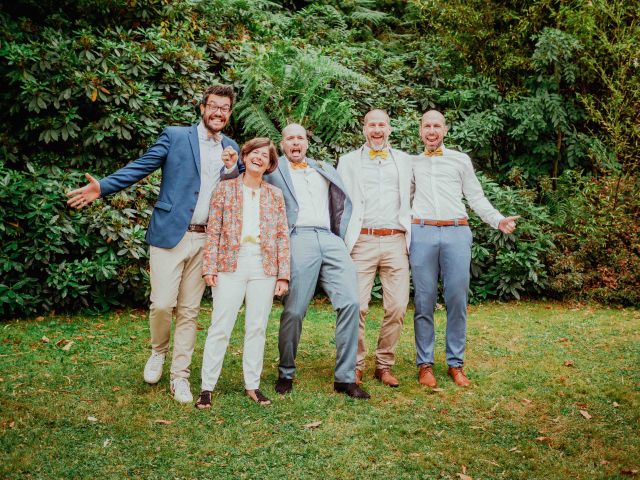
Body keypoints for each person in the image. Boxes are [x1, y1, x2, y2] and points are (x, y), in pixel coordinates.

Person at [66, 85, 240, 403]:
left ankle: (180, 377)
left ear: (229, 113)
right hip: (169, 235)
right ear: (202, 108)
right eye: (213, 106)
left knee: (189, 311)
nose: (218, 112)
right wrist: (102, 188)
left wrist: (232, 167)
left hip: (206, 238)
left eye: (224, 107)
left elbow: (239, 188)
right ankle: (158, 352)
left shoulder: (231, 148)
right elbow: (142, 166)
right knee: (161, 304)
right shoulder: (175, 137)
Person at [229, 123, 370, 399]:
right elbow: (245, 178)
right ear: (282, 144)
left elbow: (345, 199)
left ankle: (345, 378)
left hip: (330, 238)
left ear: (307, 142)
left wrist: (342, 235)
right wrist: (230, 166)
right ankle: (286, 371)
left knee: (352, 302)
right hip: (297, 237)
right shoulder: (273, 168)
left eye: (300, 138)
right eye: (290, 138)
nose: (296, 142)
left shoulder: (323, 167)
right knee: (294, 309)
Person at [411, 110, 520, 387]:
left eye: (437, 125)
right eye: (427, 126)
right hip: (421, 231)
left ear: (445, 130)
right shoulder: (410, 163)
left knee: (457, 300)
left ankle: (455, 364)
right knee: (423, 301)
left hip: (457, 231)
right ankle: (425, 364)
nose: (432, 131)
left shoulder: (460, 160)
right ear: (420, 131)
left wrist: (498, 220)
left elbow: (475, 196)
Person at [195, 138, 290, 409]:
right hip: (229, 263)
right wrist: (209, 267)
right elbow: (213, 230)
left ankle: (253, 384)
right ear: (245, 156)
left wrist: (283, 275)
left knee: (257, 327)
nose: (258, 158)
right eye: (254, 153)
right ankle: (207, 387)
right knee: (220, 325)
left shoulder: (275, 195)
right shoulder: (224, 190)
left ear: (270, 164)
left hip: (264, 266)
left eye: (265, 156)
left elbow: (283, 235)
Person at [337, 109, 412, 388]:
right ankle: (355, 364)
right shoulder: (347, 162)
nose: (377, 129)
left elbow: (414, 196)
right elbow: (339, 200)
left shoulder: (405, 161)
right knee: (356, 306)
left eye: (382, 124)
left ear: (389, 128)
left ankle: (384, 364)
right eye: (372, 125)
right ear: (364, 128)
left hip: (395, 240)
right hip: (362, 241)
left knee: (397, 306)